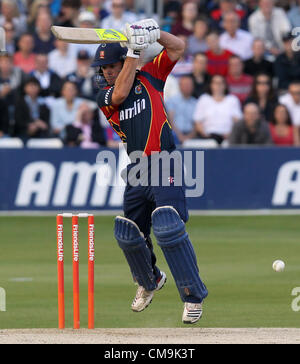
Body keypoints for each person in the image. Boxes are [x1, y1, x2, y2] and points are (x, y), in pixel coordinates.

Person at [92, 19, 208, 324]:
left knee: (168, 226)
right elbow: (119, 95)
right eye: (104, 69)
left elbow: (179, 47)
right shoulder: (105, 96)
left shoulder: (151, 76)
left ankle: (192, 295)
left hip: (165, 161)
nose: (108, 72)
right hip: (137, 168)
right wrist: (133, 51)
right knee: (129, 233)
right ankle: (149, 279)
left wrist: (155, 33)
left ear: (120, 62)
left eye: (112, 66)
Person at [193, 74, 242, 144]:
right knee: (210, 144)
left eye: (221, 83)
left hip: (228, 137)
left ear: (225, 85)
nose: (218, 85)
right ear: (211, 85)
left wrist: (230, 134)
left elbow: (238, 121)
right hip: (208, 137)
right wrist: (206, 135)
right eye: (215, 83)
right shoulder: (204, 99)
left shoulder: (232, 100)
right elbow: (197, 122)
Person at [166, 75, 197, 144]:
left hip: (192, 136)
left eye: (189, 84)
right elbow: (170, 121)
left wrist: (189, 137)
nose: (187, 87)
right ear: (179, 86)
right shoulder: (172, 101)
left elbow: (196, 124)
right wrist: (179, 136)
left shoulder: (196, 103)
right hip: (174, 135)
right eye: (185, 84)